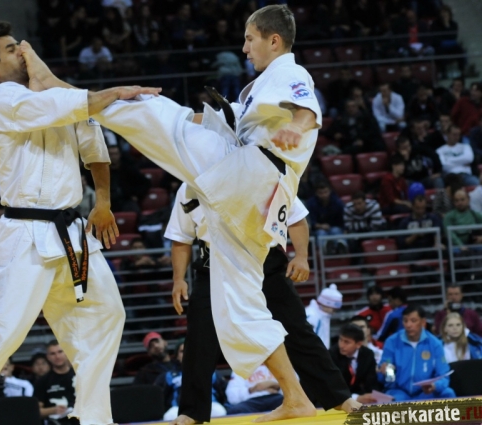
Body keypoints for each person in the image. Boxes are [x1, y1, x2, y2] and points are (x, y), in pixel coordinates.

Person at [90, 5, 333, 420]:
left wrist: (298, 124)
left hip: (252, 174)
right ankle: (296, 397)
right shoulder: (260, 87)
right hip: (253, 194)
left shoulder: (290, 72)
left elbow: (307, 108)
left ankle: (78, 100)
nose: (245, 48)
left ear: (274, 40)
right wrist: (196, 117)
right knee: (238, 308)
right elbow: (234, 121)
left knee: (165, 124)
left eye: (250, 39)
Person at [0, 21, 152, 425]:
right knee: (4, 330)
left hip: (72, 232)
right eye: (11, 48)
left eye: (21, 44)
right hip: (25, 232)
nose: (23, 49)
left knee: (107, 315)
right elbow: (67, 105)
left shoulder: (60, 96)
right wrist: (115, 92)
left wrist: (103, 202)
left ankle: (92, 416)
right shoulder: (1, 97)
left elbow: (93, 146)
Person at [166, 182, 357, 424]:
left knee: (297, 330)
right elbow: (181, 237)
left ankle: (340, 398)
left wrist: (301, 256)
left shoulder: (262, 173)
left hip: (264, 259)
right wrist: (178, 279)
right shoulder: (189, 186)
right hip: (213, 266)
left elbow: (296, 217)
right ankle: (191, 411)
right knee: (199, 337)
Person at [378, 306, 456, 401]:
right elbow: (385, 377)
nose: (408, 325)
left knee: (448, 393)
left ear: (423, 322)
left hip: (425, 392)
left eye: (413, 321)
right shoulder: (392, 342)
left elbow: (444, 375)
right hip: (399, 391)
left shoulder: (435, 344)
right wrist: (386, 373)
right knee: (388, 398)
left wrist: (434, 385)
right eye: (405, 321)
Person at [156, 340, 227, 421]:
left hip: (209, 406)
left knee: (219, 411)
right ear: (177, 356)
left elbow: (224, 392)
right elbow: (159, 398)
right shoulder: (168, 376)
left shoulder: (211, 372)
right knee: (170, 415)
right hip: (179, 409)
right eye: (182, 351)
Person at [329, 324, 378, 404]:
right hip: (337, 399)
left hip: (361, 396)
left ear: (358, 344)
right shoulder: (332, 355)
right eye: (340, 340)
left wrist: (371, 396)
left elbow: (371, 381)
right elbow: (333, 387)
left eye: (347, 342)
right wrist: (356, 398)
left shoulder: (368, 354)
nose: (341, 345)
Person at [34, 340, 78, 425]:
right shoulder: (42, 381)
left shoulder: (80, 376)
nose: (57, 356)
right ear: (48, 357)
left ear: (66, 353)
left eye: (60, 352)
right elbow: (36, 411)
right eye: (53, 354)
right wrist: (53, 410)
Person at [396, 194, 443, 261]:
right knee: (403, 258)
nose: (420, 211)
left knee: (445, 252)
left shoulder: (433, 218)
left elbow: (438, 230)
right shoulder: (405, 222)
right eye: (417, 208)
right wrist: (415, 235)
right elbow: (402, 242)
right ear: (412, 206)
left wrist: (437, 243)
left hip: (430, 248)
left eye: (423, 208)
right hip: (413, 249)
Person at [307, 181, 347, 255]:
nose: (324, 195)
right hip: (318, 230)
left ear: (330, 191)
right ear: (316, 193)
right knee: (321, 233)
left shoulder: (337, 202)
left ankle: (341, 247)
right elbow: (311, 222)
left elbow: (342, 220)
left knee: (336, 230)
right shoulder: (311, 203)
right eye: (320, 193)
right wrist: (320, 226)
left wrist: (344, 229)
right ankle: (326, 249)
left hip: (334, 227)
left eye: (325, 192)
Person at [305, 284, 343, 350]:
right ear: (326, 304)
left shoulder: (324, 315)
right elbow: (308, 341)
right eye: (333, 309)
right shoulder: (312, 317)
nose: (334, 313)